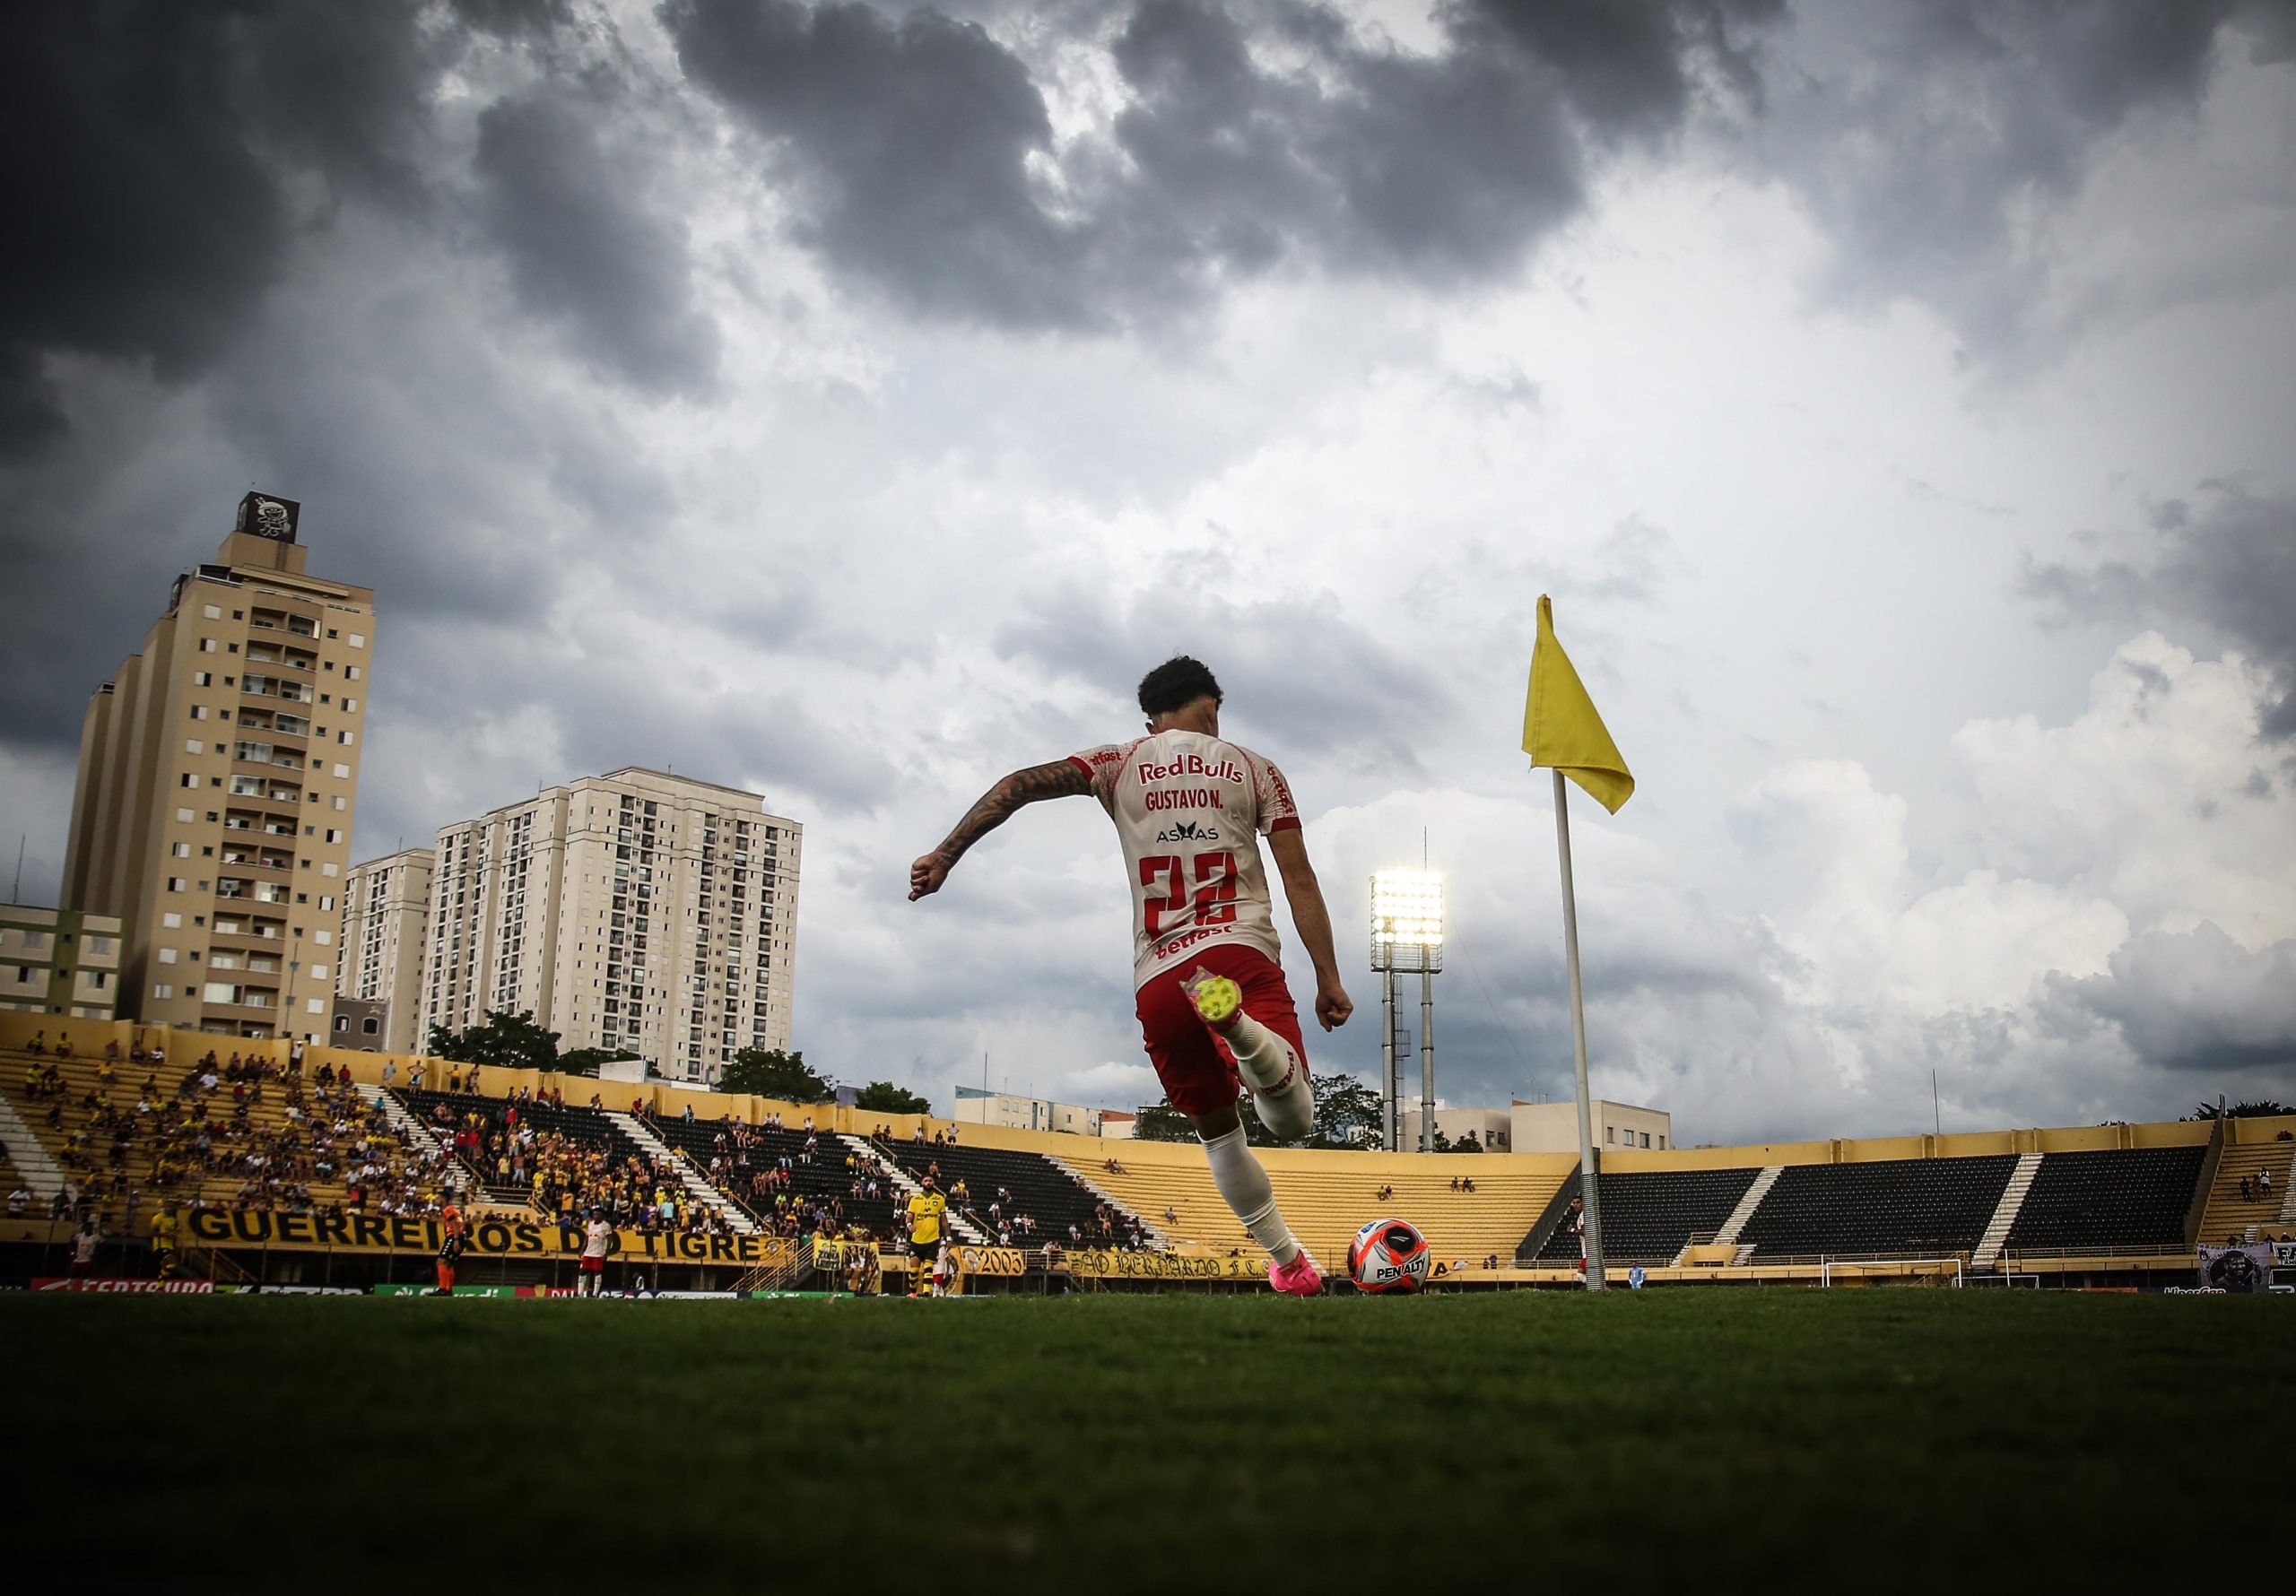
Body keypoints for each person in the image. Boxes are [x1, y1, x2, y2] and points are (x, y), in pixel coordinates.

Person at [910, 655, 1351, 1297]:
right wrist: (1328, 977)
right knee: (1291, 1122)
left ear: (1152, 716)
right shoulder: (1256, 768)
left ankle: (1288, 1264)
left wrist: (944, 853)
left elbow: (1018, 785)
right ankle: (1242, 1031)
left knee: (1220, 1136)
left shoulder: (1116, 763)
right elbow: (1299, 877)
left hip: (1160, 980)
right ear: (1212, 707)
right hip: (1237, 953)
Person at [906, 1176, 947, 1297]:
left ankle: (926, 1295)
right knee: (914, 1270)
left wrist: (948, 1238)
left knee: (928, 1267)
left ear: (934, 1183)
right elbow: (909, 1216)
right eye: (926, 1181)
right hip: (916, 1239)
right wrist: (909, 1225)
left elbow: (944, 1220)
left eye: (930, 1181)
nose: (928, 1183)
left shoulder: (940, 1199)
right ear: (922, 1183)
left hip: (932, 1239)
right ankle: (913, 1294)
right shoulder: (915, 1199)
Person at [578, 1209, 613, 1297]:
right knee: (583, 1271)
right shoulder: (590, 1224)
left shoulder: (606, 1226)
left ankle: (595, 1294)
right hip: (588, 1252)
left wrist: (606, 1253)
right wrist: (582, 1249)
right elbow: (587, 1238)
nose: (596, 1216)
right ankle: (580, 1293)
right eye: (595, 1214)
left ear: (602, 1216)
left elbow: (609, 1240)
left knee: (597, 1272)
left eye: (598, 1215)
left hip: (598, 1253)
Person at [435, 1201, 466, 1295]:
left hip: (453, 1236)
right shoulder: (455, 1210)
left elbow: (454, 1224)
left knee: (441, 1261)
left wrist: (455, 1240)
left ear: (443, 1199)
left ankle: (442, 1289)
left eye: (438, 1198)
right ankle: (448, 1290)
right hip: (461, 1237)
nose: (436, 1199)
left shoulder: (447, 1209)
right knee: (449, 1264)